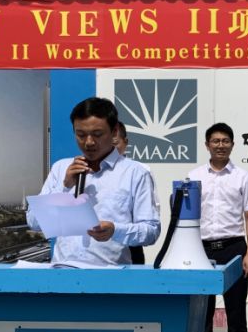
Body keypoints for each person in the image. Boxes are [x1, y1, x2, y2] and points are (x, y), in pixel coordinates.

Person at [27, 97, 160, 266]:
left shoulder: (135, 173)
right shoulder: (61, 168)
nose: (88, 142)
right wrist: (64, 187)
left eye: (97, 134)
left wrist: (115, 230)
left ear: (114, 131)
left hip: (109, 275)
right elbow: (34, 222)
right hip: (62, 272)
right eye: (81, 135)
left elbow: (151, 231)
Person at [188, 123, 248, 332]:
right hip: (202, 249)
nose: (220, 145)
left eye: (225, 140)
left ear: (232, 144)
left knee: (236, 314)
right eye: (215, 140)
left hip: (234, 249)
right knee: (202, 315)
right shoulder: (194, 176)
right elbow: (188, 217)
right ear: (207, 144)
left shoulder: (243, 177)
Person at [113, 121, 157, 265]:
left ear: (125, 142)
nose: (111, 149)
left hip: (130, 246)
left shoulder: (140, 171)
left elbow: (150, 218)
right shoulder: (85, 170)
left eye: (115, 144)